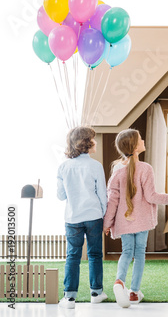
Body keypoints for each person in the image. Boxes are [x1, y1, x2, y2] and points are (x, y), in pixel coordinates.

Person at [103, 129, 168, 308]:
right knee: (139, 254)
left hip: (124, 221)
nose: (143, 140)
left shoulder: (117, 173)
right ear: (135, 147)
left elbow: (111, 201)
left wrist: (107, 223)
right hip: (142, 221)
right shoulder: (146, 169)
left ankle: (119, 282)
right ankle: (134, 292)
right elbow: (152, 197)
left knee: (127, 252)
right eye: (140, 139)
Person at [57, 126, 108, 309]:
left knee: (73, 255)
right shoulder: (95, 166)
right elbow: (102, 195)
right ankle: (96, 292)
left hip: (72, 217)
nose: (95, 142)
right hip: (94, 216)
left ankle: (69, 297)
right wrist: (104, 215)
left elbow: (61, 195)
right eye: (93, 139)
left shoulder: (63, 166)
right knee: (95, 254)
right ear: (87, 143)